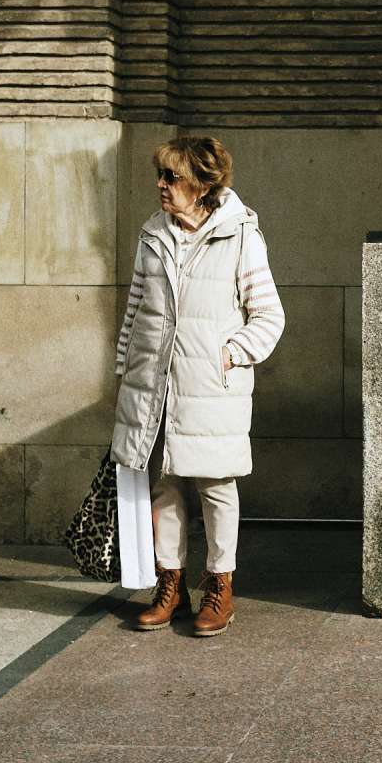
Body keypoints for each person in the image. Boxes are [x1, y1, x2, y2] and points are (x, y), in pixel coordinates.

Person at [109, 136, 285, 636]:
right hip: (151, 387)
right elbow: (134, 314)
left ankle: (220, 587)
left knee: (215, 485)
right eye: (160, 176)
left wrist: (228, 355)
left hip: (210, 386)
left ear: (204, 184)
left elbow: (268, 316)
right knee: (162, 483)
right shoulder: (152, 234)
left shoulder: (241, 235)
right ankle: (169, 586)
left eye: (172, 177)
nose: (161, 186)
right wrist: (125, 374)